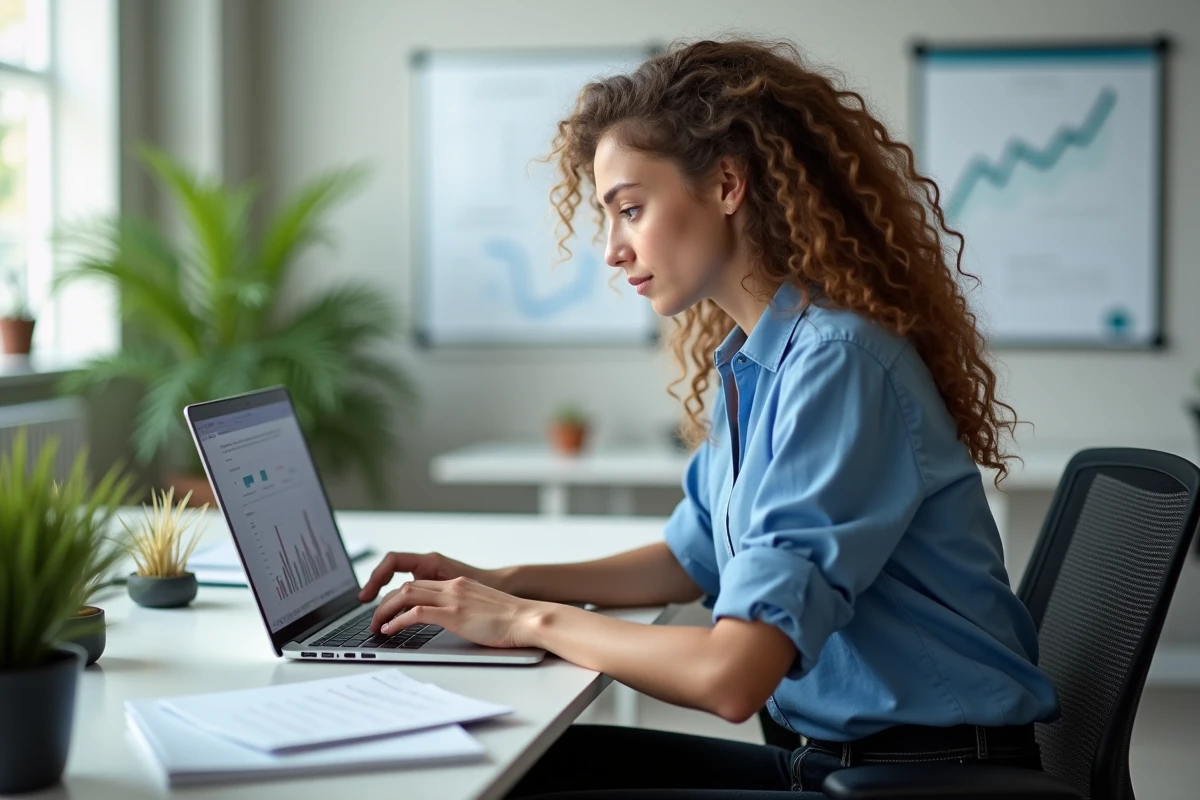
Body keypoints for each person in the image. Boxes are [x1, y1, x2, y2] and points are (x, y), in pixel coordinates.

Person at [359, 38, 1060, 799]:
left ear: (727, 183)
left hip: (920, 781)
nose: (614, 251)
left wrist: (525, 620)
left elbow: (732, 678)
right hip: (840, 764)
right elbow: (689, 558)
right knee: (532, 765)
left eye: (631, 209)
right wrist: (498, 582)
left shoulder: (836, 363)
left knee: (523, 780)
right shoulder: (761, 358)